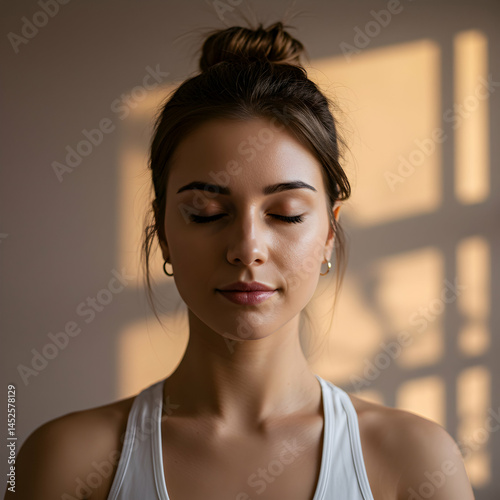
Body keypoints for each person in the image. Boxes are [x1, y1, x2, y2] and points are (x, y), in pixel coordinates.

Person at [9, 21, 475, 500]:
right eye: (206, 213)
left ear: (330, 232)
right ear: (164, 230)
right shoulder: (63, 462)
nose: (247, 247)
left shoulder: (415, 461)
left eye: (286, 214)